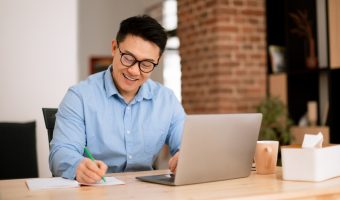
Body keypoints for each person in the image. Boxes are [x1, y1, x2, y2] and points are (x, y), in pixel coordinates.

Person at [49, 15, 185, 183]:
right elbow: (61, 152)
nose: (134, 71)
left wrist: (185, 157)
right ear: (114, 48)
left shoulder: (166, 100)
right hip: (94, 191)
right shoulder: (79, 97)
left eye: (146, 64)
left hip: (146, 192)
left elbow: (186, 146)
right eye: (128, 57)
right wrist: (78, 166)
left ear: (157, 61)